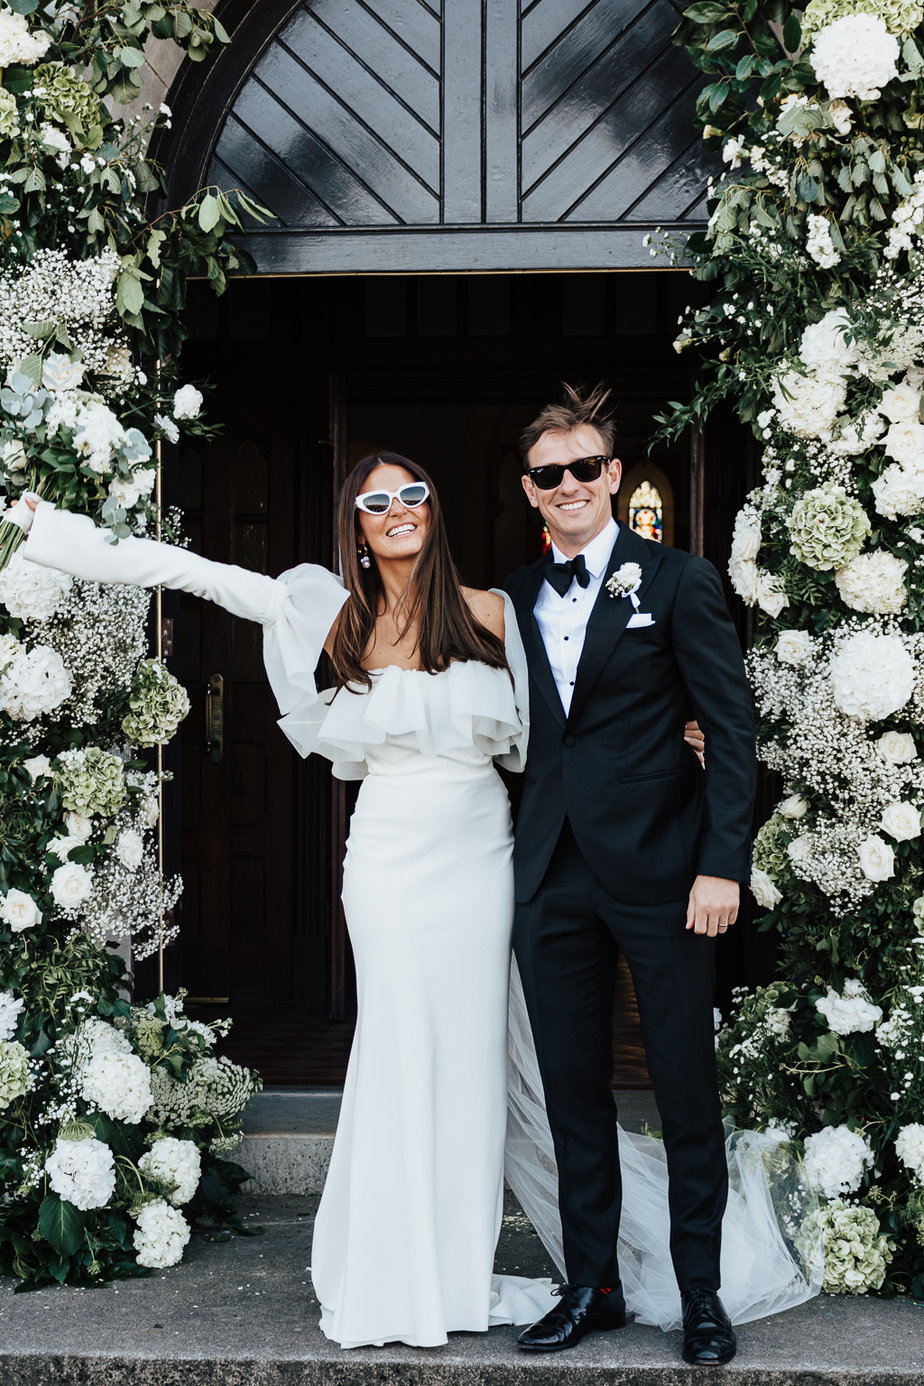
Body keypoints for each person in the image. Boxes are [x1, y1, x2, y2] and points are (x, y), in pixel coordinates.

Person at [5, 445, 817, 1355]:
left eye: (414, 492)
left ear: (435, 507)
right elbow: (195, 574)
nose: (398, 508)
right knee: (396, 1049)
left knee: (473, 1069)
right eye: (376, 499)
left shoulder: (495, 609)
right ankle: (393, 1273)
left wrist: (688, 747)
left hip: (485, 863)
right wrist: (51, 535)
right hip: (388, 862)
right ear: (356, 521)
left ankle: (460, 1276)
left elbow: (579, 718)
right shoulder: (332, 612)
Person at [503, 383, 758, 1365]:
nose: (568, 485)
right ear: (531, 491)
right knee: (575, 1094)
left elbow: (729, 731)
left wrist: (720, 865)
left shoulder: (677, 580)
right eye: (548, 474)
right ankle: (592, 1286)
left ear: (612, 476)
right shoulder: (510, 600)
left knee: (685, 1087)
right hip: (553, 880)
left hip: (665, 874)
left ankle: (700, 1294)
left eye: (584, 468)